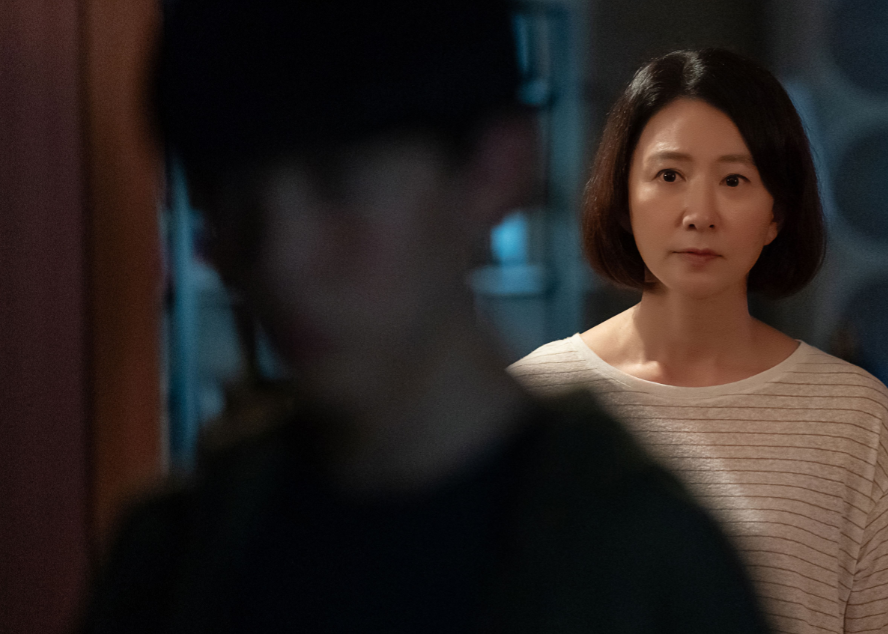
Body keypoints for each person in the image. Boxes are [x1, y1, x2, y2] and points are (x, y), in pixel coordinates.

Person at [80, 8, 770, 633]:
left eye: (338, 184)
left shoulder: (641, 563)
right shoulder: (176, 556)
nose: (277, 259)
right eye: (230, 199)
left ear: (495, 168)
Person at [510, 48, 888, 634]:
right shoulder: (535, 399)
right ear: (624, 198)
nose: (700, 214)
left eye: (734, 180)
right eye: (669, 176)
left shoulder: (856, 418)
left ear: (776, 214)